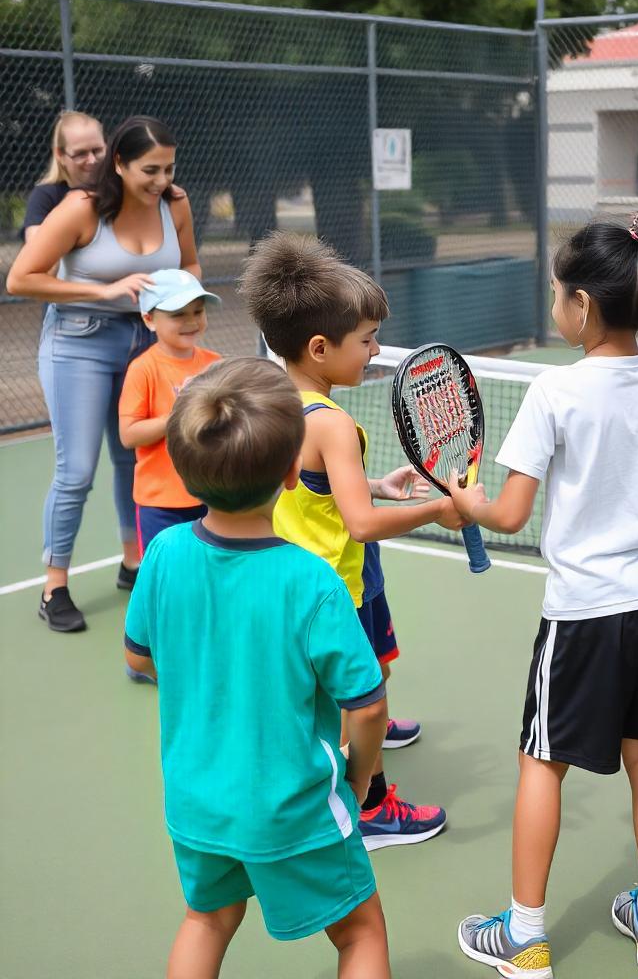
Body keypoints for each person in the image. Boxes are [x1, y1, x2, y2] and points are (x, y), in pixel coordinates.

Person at [449, 199, 638, 977]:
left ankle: (525, 935)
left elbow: (507, 513)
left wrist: (463, 502)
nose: (554, 304)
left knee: (543, 762)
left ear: (584, 305)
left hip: (586, 613)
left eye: (559, 293)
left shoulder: (553, 393)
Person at [124, 357, 391, 979]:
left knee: (206, 921)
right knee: (361, 935)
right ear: (292, 475)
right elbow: (368, 704)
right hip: (293, 806)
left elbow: (139, 655)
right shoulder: (312, 580)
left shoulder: (162, 553)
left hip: (196, 804)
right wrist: (357, 782)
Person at [239, 232, 463, 849]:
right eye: (365, 340)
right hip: (338, 586)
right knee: (356, 697)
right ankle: (370, 808)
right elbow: (359, 525)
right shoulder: (333, 423)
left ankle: (340, 764)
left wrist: (373, 484)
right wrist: (437, 510)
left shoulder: (278, 399)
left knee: (324, 696)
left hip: (291, 581)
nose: (375, 349)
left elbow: (306, 488)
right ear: (320, 347)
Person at [6, 115, 200, 633]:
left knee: (132, 456)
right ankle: (55, 587)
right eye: (149, 170)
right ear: (119, 163)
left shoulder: (175, 203)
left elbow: (192, 267)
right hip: (78, 342)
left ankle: (132, 562)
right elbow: (22, 277)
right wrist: (105, 291)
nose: (162, 180)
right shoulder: (81, 208)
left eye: (169, 168)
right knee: (76, 471)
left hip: (144, 342)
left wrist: (173, 297)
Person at [119, 268, 223, 555]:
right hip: (160, 503)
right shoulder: (143, 369)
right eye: (178, 314)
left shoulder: (216, 365)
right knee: (164, 580)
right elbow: (129, 435)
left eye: (198, 311)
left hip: (212, 495)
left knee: (209, 574)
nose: (191, 322)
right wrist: (181, 415)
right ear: (149, 319)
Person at [22, 111, 106, 244]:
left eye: (97, 150)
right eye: (81, 154)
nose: (92, 160)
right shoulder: (46, 196)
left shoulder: (118, 187)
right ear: (60, 155)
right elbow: (36, 251)